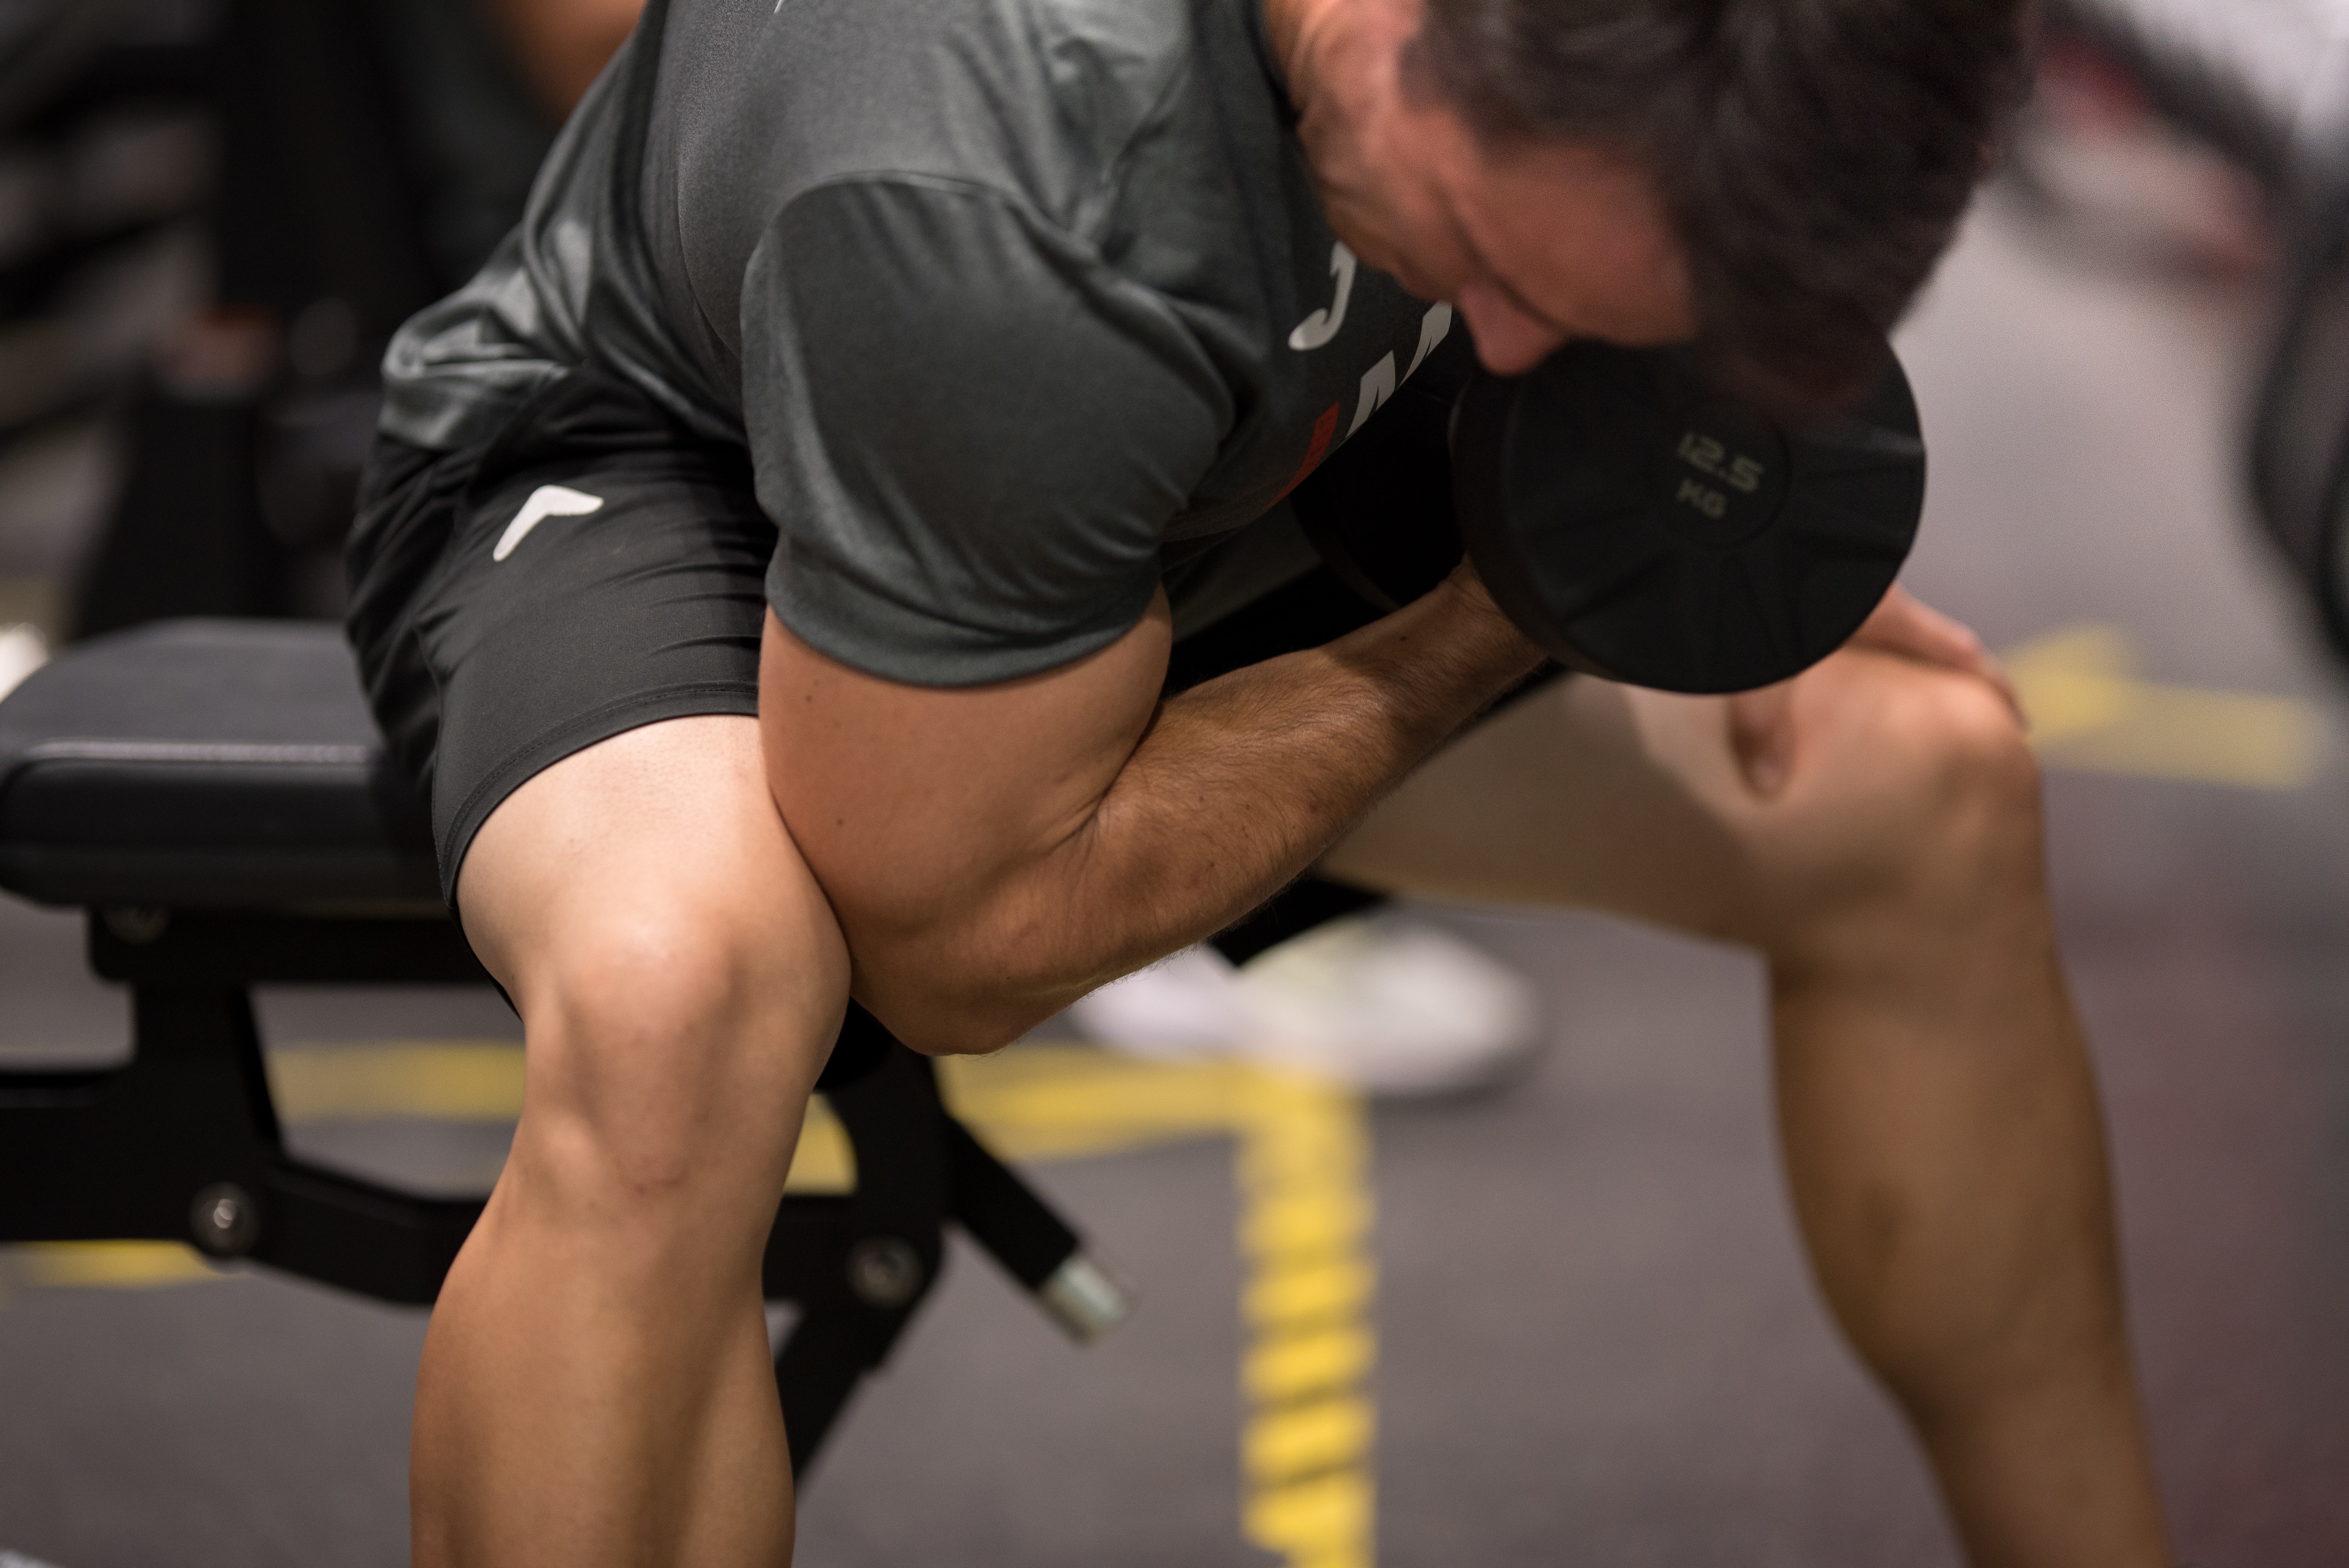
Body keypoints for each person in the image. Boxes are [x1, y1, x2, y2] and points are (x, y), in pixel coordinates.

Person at [346, 0, 2172, 1562]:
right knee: (685, 986)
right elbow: (967, 937)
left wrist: (1693, 429)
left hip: (1203, 474)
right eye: (1514, 272)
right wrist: (1512, 603)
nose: (1537, 355)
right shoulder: (1024, 167)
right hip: (685, 460)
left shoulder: (1495, 113)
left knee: (1921, 787)